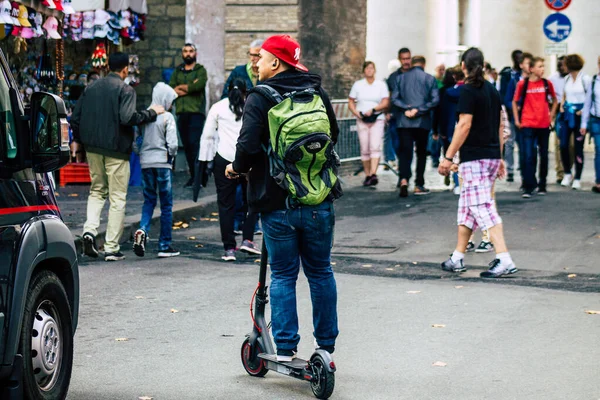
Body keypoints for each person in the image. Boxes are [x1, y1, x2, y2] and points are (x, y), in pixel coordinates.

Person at [225, 34, 340, 362]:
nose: (256, 63)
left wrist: (236, 168)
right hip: (320, 198)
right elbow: (331, 133)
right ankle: (326, 347)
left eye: (260, 58)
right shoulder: (315, 90)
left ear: (276, 62)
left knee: (284, 274)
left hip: (276, 202)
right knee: (320, 271)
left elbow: (246, 147)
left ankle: (286, 348)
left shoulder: (260, 96)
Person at [71, 52, 164, 261]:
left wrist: (79, 140)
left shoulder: (91, 87)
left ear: (107, 67)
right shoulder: (126, 89)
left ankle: (89, 231)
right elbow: (128, 117)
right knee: (117, 198)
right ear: (124, 70)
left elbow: (75, 118)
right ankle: (111, 247)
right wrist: (151, 113)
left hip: (93, 148)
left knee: (96, 191)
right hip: (116, 149)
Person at [438, 47, 518, 279]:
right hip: (491, 156)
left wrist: (448, 156)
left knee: (483, 208)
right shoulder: (492, 90)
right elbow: (500, 126)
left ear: (463, 66)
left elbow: (464, 125)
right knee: (467, 209)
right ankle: (457, 257)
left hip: (475, 158)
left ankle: (504, 258)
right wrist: (500, 157)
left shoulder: (468, 92)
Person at [200, 78, 261, 261]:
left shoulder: (217, 108)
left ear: (227, 89)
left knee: (226, 205)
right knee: (252, 201)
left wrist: (205, 161)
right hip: (248, 160)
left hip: (223, 159)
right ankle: (248, 239)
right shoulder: (252, 107)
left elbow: (208, 136)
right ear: (245, 91)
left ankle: (229, 249)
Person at [132, 83, 180, 258]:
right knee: (166, 205)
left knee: (149, 201)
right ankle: (164, 245)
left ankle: (142, 229)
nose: (171, 105)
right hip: (162, 163)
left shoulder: (143, 117)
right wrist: (171, 156)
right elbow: (173, 144)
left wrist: (142, 154)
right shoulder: (167, 117)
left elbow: (136, 143)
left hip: (146, 163)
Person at [392, 55, 440, 197]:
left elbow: (394, 98)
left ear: (412, 64)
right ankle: (419, 184)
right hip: (422, 122)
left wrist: (406, 108)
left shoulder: (400, 78)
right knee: (421, 153)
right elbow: (435, 100)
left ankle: (404, 179)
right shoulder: (430, 79)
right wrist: (419, 110)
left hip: (404, 122)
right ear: (424, 64)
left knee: (405, 152)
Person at [512, 57, 558, 198]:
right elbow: (514, 101)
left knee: (543, 155)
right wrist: (517, 120)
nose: (542, 69)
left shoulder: (546, 84)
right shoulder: (523, 84)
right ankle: (528, 185)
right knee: (528, 155)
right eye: (539, 66)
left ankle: (542, 184)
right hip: (528, 123)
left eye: (543, 66)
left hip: (543, 124)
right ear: (531, 69)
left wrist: (551, 117)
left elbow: (555, 101)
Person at [169, 43, 208, 188]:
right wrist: (189, 87)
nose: (188, 54)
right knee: (187, 146)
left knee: (195, 145)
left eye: (190, 51)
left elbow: (199, 86)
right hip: (181, 113)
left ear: (195, 54)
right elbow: (172, 89)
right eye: (185, 51)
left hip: (196, 113)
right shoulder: (177, 71)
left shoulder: (200, 70)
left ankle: (200, 176)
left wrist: (184, 88)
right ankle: (194, 176)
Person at [348, 61, 390, 186]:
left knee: (375, 146)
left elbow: (385, 102)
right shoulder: (358, 85)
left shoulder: (380, 85)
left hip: (377, 118)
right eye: (367, 68)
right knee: (364, 147)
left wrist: (374, 109)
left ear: (374, 70)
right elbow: (350, 101)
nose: (369, 70)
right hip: (362, 119)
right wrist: (357, 113)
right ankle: (367, 174)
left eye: (372, 68)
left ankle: (373, 173)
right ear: (364, 71)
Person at [559, 54, 592, 190]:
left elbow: (589, 97)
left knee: (578, 147)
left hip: (579, 114)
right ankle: (567, 172)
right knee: (563, 144)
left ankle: (577, 177)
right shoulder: (567, 79)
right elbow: (565, 95)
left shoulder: (585, 79)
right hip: (567, 114)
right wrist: (562, 105)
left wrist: (583, 111)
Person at [504, 52, 533, 184]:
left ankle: (525, 173)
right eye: (528, 63)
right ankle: (510, 170)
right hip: (515, 116)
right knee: (510, 143)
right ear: (521, 65)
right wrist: (516, 107)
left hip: (530, 118)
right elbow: (507, 99)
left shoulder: (535, 80)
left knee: (525, 146)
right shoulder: (514, 80)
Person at [498, 50, 523, 182]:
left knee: (521, 142)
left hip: (524, 115)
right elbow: (503, 95)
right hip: (510, 113)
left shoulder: (523, 76)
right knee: (510, 143)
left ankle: (522, 167)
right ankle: (511, 168)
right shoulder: (508, 75)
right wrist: (508, 109)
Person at [549, 56, 573, 184]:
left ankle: (568, 168)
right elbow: (549, 98)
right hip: (559, 113)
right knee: (559, 144)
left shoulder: (573, 78)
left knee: (572, 145)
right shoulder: (552, 79)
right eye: (559, 64)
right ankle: (560, 172)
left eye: (563, 64)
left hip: (573, 113)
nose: (560, 67)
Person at [581, 56, 600, 193]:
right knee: (599, 150)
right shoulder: (594, 81)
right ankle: (599, 181)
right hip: (596, 119)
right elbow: (587, 104)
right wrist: (584, 123)